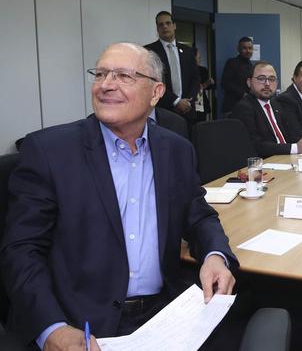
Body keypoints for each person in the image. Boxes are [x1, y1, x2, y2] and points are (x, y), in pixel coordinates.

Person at [0, 43, 238, 349]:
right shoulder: (49, 152)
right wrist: (52, 329)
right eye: (100, 74)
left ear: (156, 93)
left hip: (164, 314)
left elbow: (199, 214)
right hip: (78, 321)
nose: (106, 85)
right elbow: (21, 251)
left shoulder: (176, 149)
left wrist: (215, 256)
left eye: (124, 76)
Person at [231, 61, 302, 158]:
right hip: (266, 163)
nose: (267, 84)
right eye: (261, 79)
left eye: (271, 79)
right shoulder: (244, 108)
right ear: (249, 82)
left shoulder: (275, 104)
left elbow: (290, 133)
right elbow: (256, 146)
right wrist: (295, 148)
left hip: (287, 159)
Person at [145, 11, 200, 124]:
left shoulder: (188, 51)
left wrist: (188, 101)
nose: (165, 26)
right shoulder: (149, 52)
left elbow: (195, 79)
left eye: (168, 23)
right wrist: (176, 101)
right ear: (157, 28)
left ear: (174, 26)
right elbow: (152, 81)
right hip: (163, 111)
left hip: (187, 111)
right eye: (161, 24)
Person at [221, 37, 253, 114]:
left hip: (247, 106)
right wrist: (243, 94)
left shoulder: (251, 66)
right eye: (244, 48)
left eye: (250, 48)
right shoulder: (232, 62)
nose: (248, 51)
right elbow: (225, 83)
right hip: (232, 106)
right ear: (238, 49)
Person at [194, 47, 215, 121]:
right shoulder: (185, 70)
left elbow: (211, 87)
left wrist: (210, 83)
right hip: (190, 103)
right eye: (198, 58)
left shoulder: (203, 70)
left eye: (200, 58)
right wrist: (204, 85)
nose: (199, 60)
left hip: (201, 102)